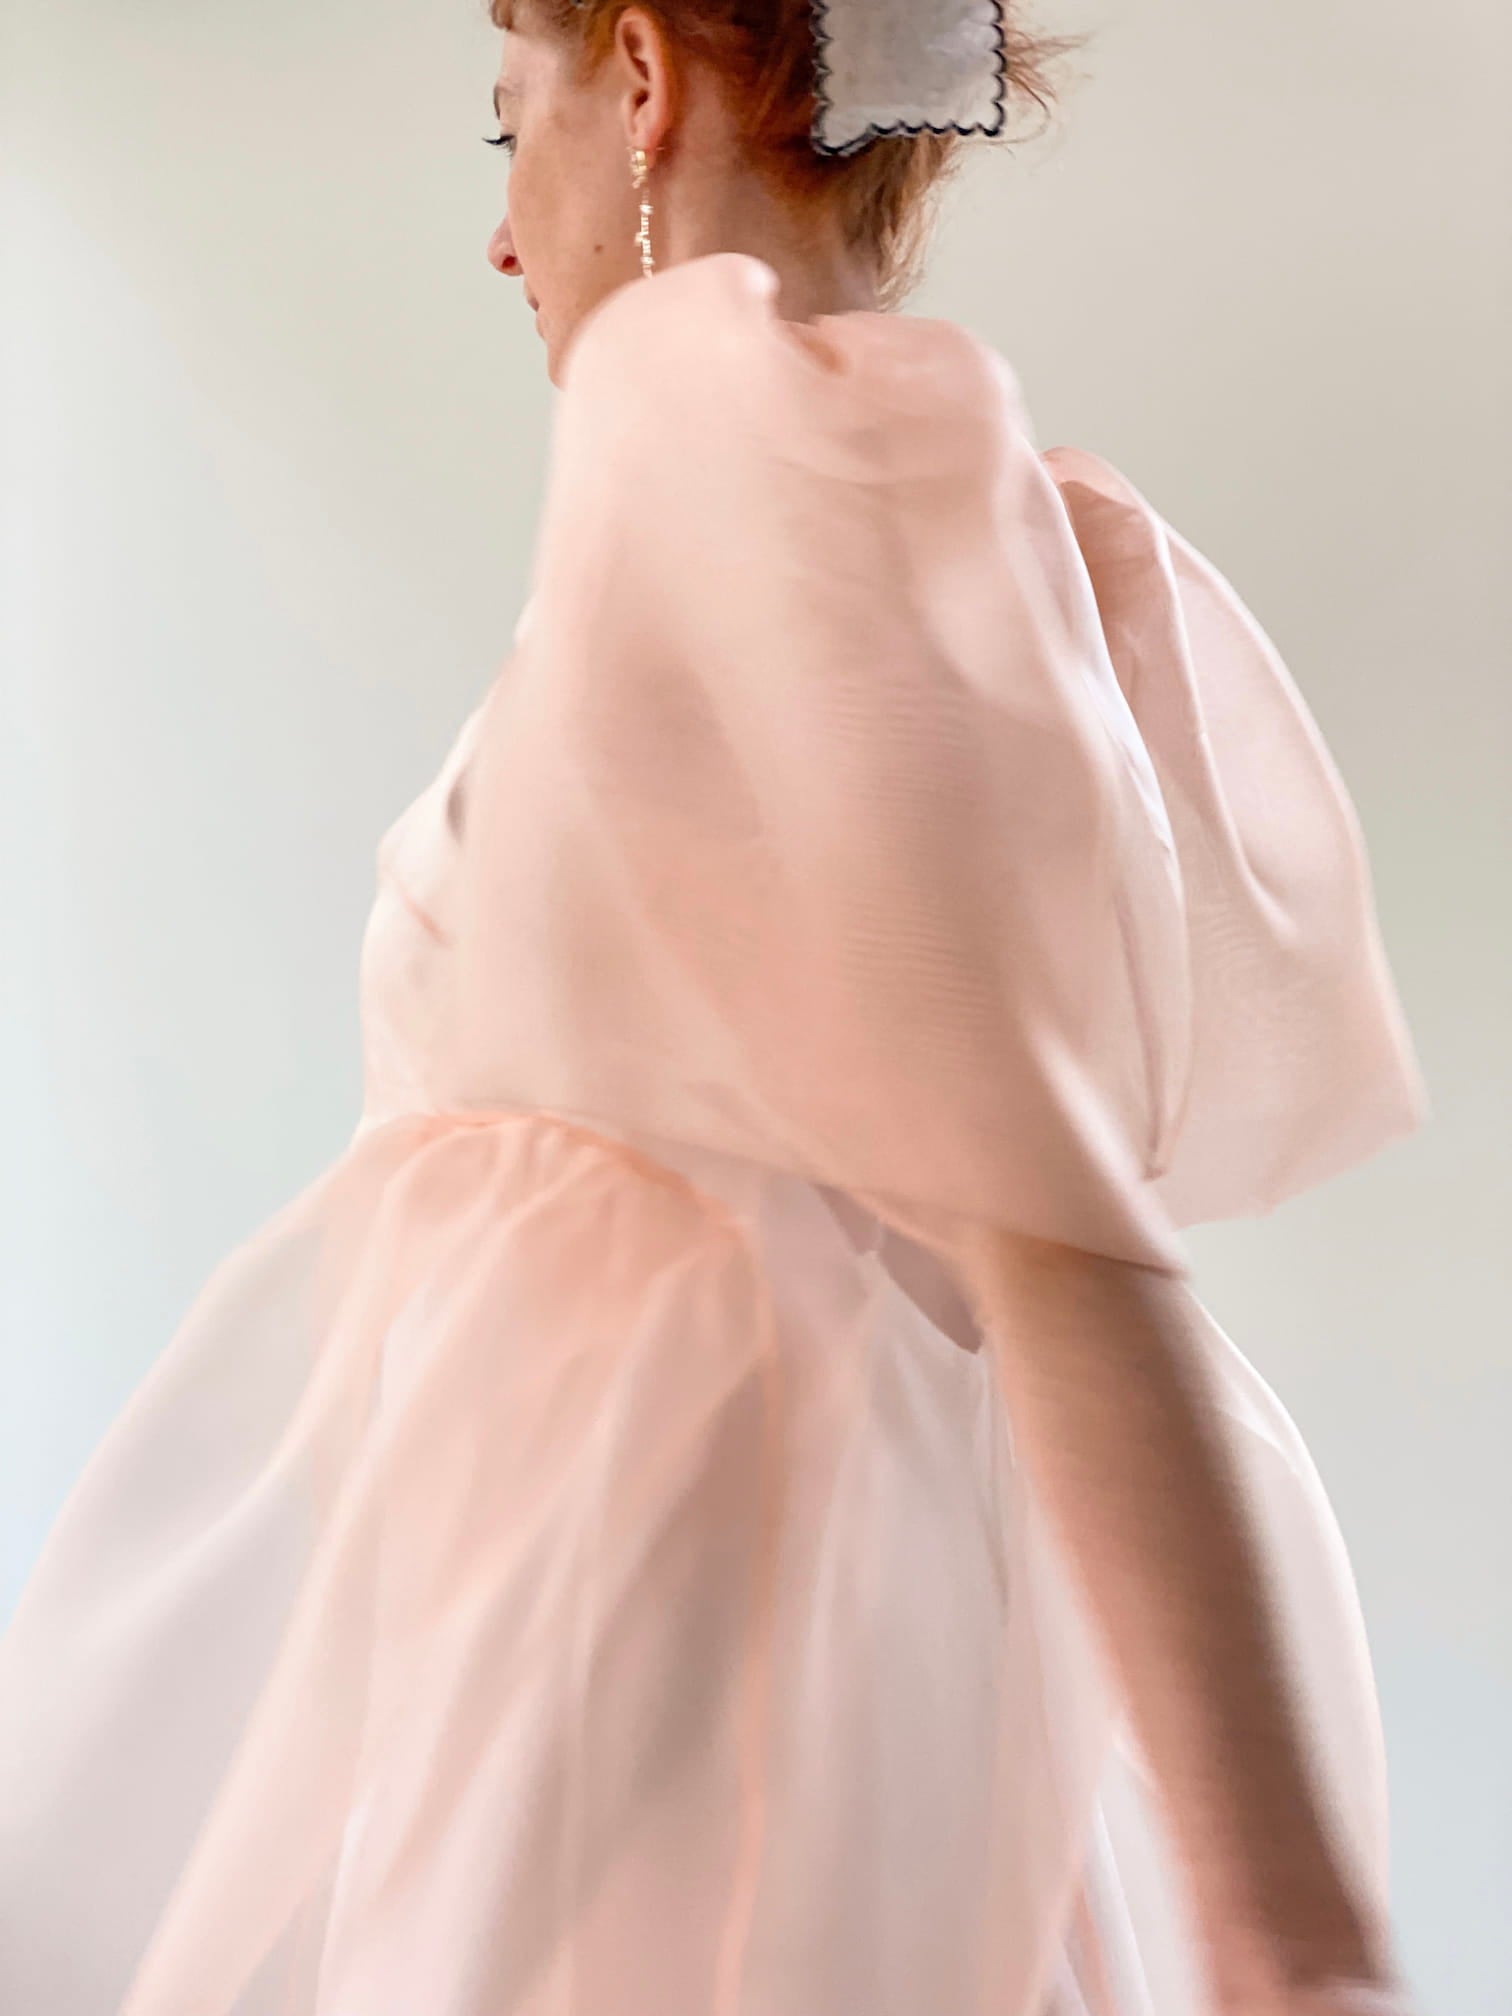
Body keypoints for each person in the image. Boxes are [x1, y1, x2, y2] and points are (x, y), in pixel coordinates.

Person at [0, 4, 1429, 2013]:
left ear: (646, 82)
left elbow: (1063, 1236)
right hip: (765, 1695)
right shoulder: (949, 515)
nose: (504, 232)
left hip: (664, 1718)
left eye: (512, 122)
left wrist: (1298, 1947)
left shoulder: (727, 433)